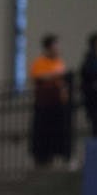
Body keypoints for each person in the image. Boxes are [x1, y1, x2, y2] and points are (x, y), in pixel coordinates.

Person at [29, 34, 73, 168]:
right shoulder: (39, 63)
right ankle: (42, 160)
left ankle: (62, 158)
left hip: (58, 105)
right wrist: (56, 76)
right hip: (44, 106)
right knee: (43, 137)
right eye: (55, 46)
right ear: (48, 48)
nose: (58, 49)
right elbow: (39, 78)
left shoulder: (59, 62)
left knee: (59, 135)